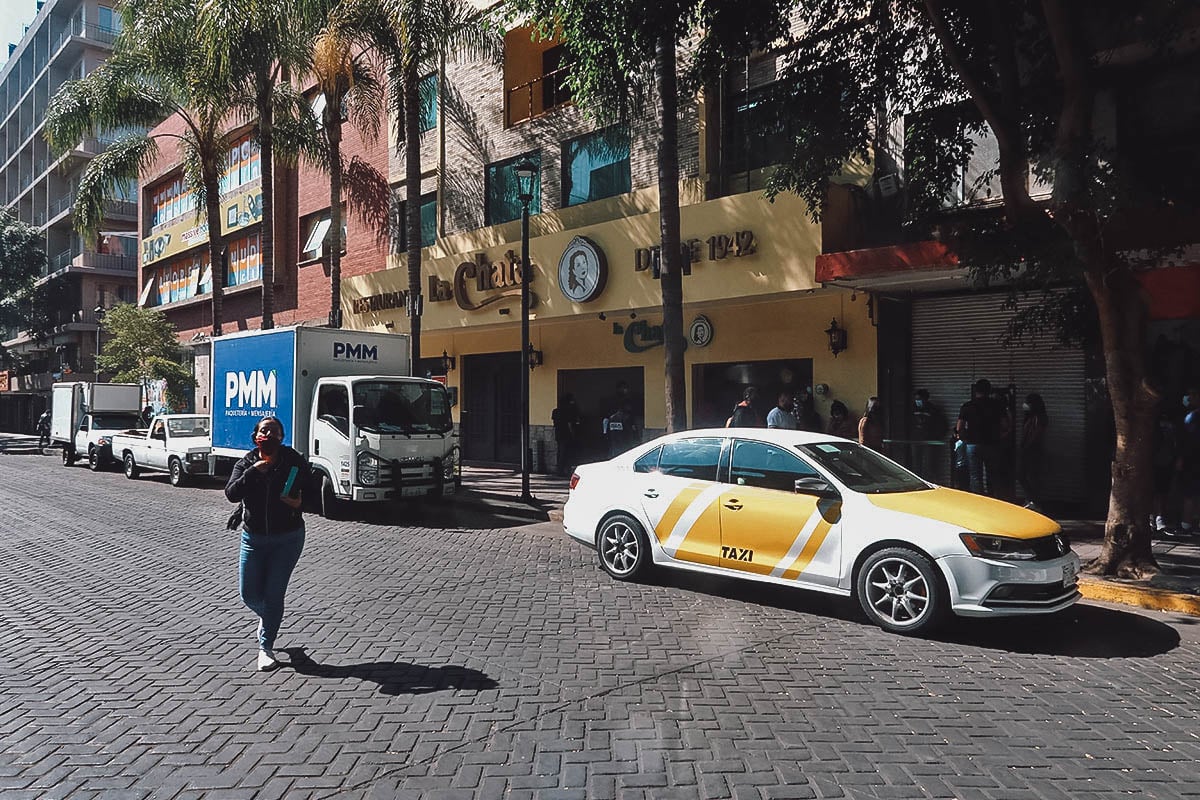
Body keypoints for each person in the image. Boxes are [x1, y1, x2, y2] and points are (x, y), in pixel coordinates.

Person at [225, 416, 318, 671]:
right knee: (249, 594)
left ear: (281, 437)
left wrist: (300, 504)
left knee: (274, 594)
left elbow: (314, 492)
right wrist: (252, 473)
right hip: (253, 538)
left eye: (275, 431)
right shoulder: (246, 463)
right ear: (256, 436)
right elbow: (232, 493)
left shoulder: (293, 462)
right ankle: (269, 618)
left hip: (287, 538)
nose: (269, 434)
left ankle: (265, 647)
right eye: (264, 430)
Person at [1018, 393, 1049, 512]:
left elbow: (1036, 435)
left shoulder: (1039, 418)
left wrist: (1026, 447)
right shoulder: (1030, 417)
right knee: (1023, 475)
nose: (1025, 405)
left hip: (1032, 451)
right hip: (1028, 450)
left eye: (1028, 403)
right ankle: (1031, 499)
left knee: (1030, 476)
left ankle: (1034, 501)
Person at [910, 389, 946, 478]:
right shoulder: (912, 408)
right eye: (916, 399)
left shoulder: (932, 409)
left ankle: (929, 480)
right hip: (915, 440)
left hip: (929, 441)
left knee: (928, 463)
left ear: (925, 399)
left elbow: (941, 424)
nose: (918, 401)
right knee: (916, 463)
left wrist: (935, 437)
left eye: (920, 399)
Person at [551, 393, 581, 477]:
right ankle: (565, 470)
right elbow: (569, 424)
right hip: (566, 434)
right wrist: (573, 434)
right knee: (566, 453)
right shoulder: (568, 412)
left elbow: (554, 423)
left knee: (560, 452)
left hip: (558, 433)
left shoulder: (555, 411)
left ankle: (559, 470)